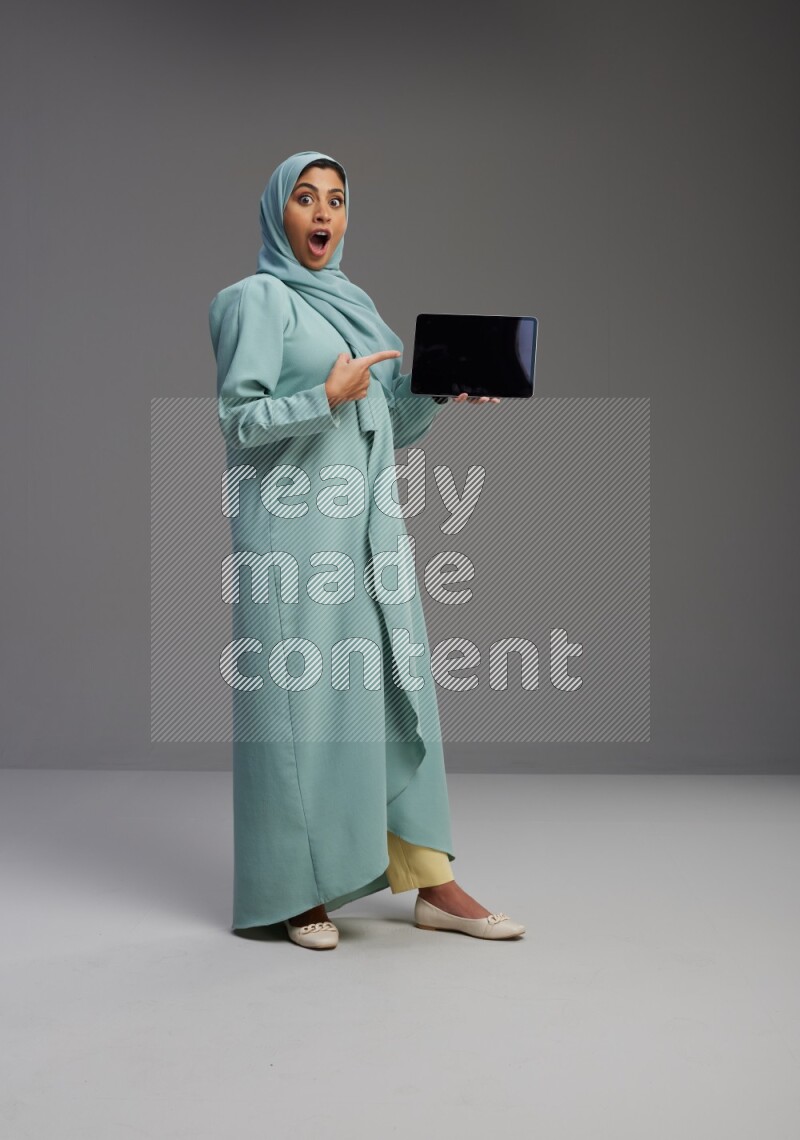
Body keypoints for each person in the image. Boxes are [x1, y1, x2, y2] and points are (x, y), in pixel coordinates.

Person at [209, 150, 525, 950]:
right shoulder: (255, 300)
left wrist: (437, 391)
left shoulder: (356, 307)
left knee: (393, 693)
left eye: (337, 200)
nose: (323, 213)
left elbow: (390, 425)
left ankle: (430, 880)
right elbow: (238, 420)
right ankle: (297, 888)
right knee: (302, 713)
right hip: (292, 541)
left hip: (368, 532)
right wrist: (325, 395)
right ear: (278, 212)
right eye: (305, 198)